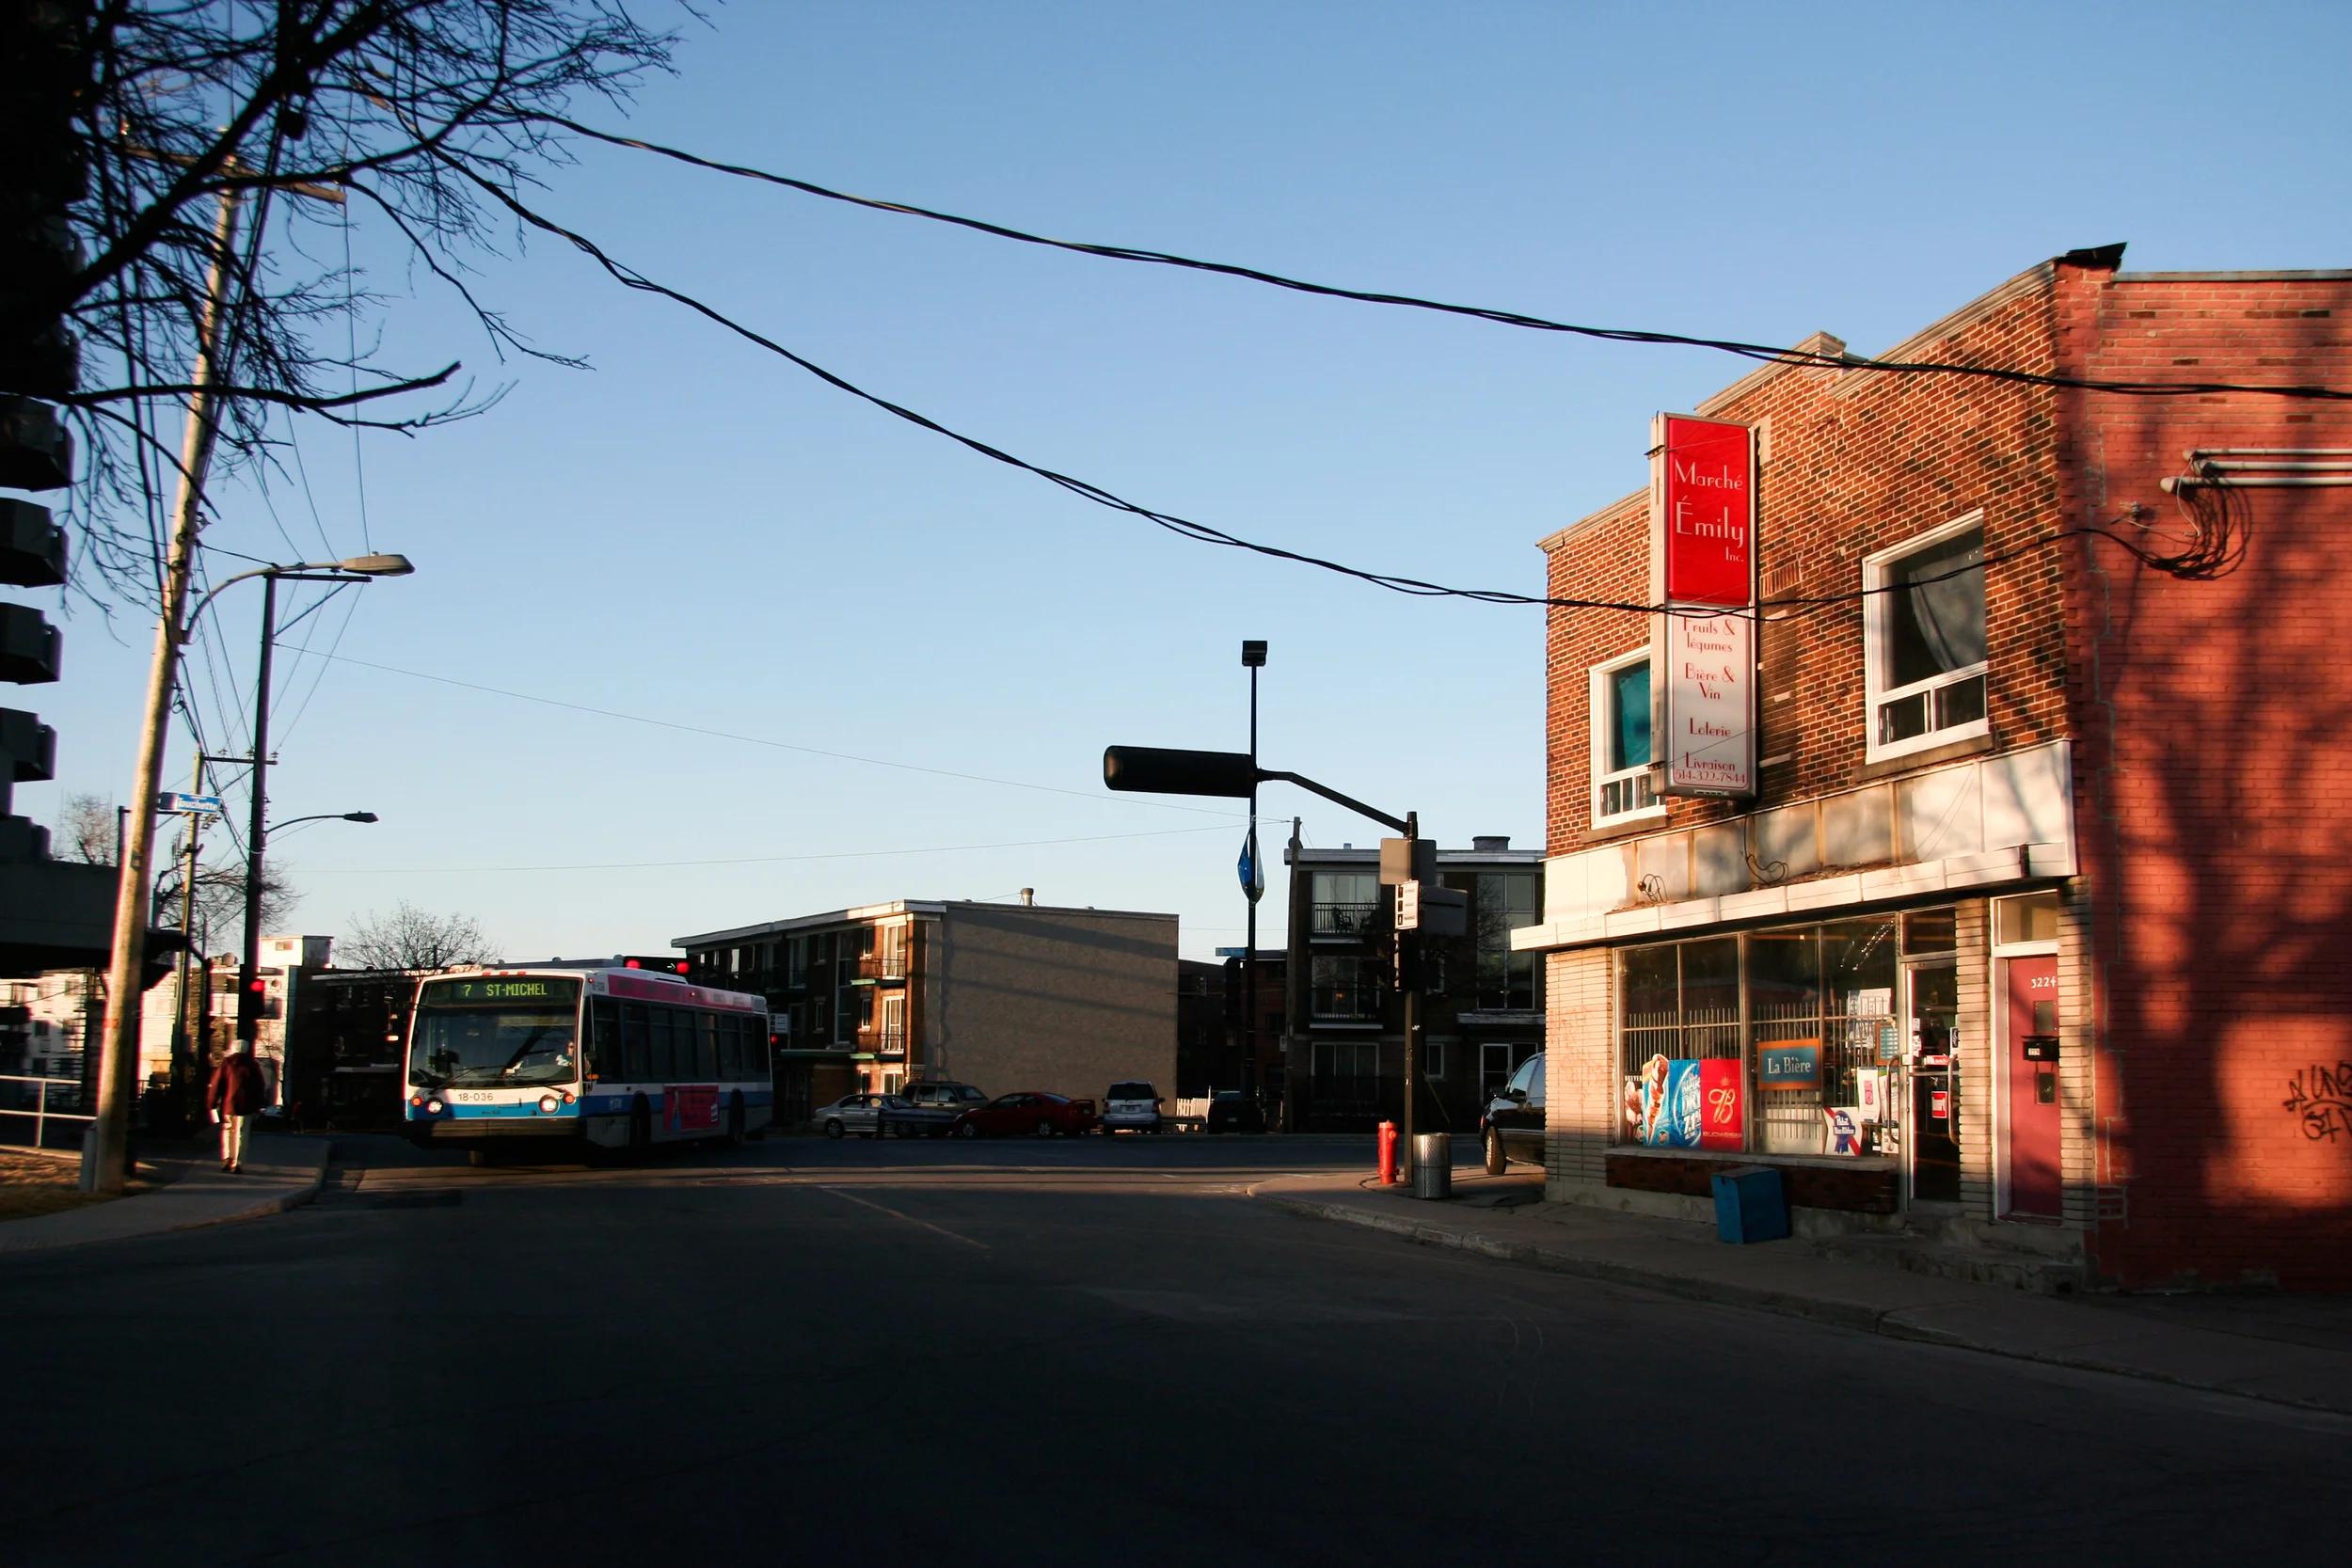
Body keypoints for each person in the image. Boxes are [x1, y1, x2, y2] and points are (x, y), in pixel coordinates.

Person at [207, 1046, 269, 1174]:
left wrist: (212, 1103)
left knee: (228, 1130)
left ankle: (227, 1158)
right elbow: (260, 1086)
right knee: (241, 1134)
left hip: (228, 1105)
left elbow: (216, 1084)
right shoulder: (253, 1065)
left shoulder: (227, 1063)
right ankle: (237, 1163)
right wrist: (259, 1104)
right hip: (246, 1106)